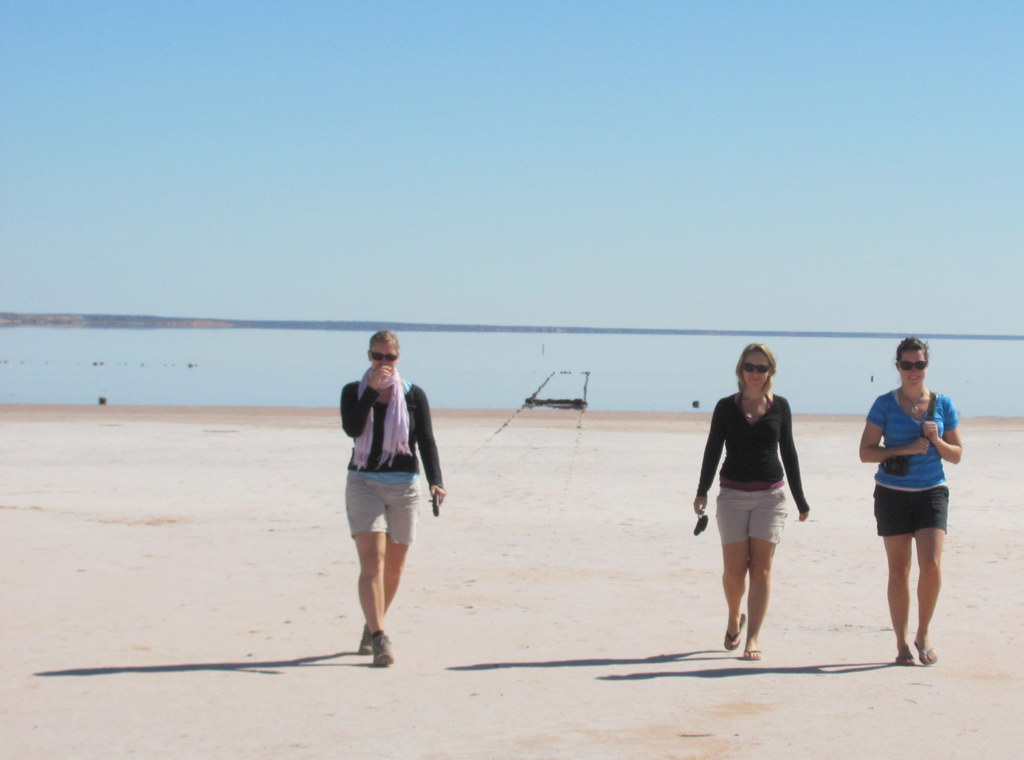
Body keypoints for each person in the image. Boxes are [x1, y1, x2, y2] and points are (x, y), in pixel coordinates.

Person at [693, 343, 810, 661]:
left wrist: (801, 500)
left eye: (761, 368)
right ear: (740, 370)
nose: (755, 373)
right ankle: (734, 618)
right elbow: (713, 449)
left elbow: (789, 452)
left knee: (761, 570)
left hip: (770, 498)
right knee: (734, 572)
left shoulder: (781, 407)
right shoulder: (725, 407)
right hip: (731, 496)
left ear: (771, 372)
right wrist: (702, 491)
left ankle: (753, 638)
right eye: (749, 367)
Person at [340, 330, 446, 667]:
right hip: (363, 481)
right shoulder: (352, 391)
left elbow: (426, 440)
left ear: (398, 358)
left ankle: (372, 623)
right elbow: (353, 429)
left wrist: (436, 482)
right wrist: (371, 391)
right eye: (377, 357)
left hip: (405, 484)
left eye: (390, 358)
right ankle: (379, 637)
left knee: (395, 567)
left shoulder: (414, 395)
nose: (384, 363)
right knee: (373, 560)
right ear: (369, 356)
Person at [858, 337, 962, 666]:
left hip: (932, 490)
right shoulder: (884, 404)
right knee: (899, 570)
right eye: (907, 365)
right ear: (898, 367)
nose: (913, 371)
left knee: (931, 567)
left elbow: (957, 455)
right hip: (892, 493)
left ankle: (924, 632)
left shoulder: (943, 404)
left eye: (919, 364)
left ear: (926, 367)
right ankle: (901, 643)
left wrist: (935, 440)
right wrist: (903, 449)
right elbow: (865, 452)